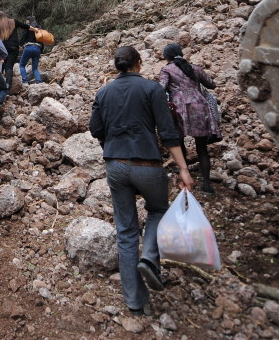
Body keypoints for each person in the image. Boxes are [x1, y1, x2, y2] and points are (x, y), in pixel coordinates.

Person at [89, 45, 193, 317]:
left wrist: (112, 141)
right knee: (158, 210)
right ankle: (149, 255)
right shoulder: (152, 88)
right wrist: (183, 168)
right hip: (147, 162)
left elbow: (95, 129)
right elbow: (168, 132)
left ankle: (135, 302)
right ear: (138, 63)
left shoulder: (103, 92)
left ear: (117, 65)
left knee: (125, 231)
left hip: (115, 165)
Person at [158, 43, 221, 195]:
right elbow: (211, 85)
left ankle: (185, 176)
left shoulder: (167, 69)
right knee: (201, 148)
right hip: (200, 106)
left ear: (167, 57)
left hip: (178, 108)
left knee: (180, 143)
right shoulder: (195, 68)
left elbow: (161, 88)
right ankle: (207, 185)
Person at [19, 15, 44, 85]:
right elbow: (42, 40)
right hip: (37, 48)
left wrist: (20, 45)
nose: (26, 22)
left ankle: (25, 81)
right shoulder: (39, 28)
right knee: (35, 68)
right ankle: (39, 82)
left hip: (29, 47)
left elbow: (23, 36)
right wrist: (41, 51)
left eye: (26, 21)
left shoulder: (27, 27)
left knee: (22, 65)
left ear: (28, 21)